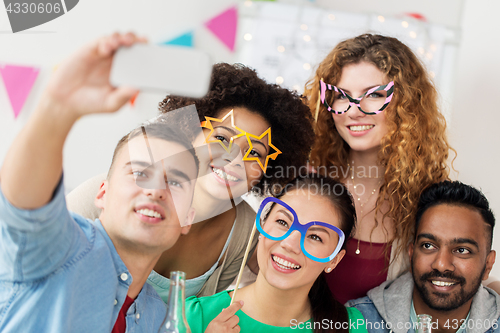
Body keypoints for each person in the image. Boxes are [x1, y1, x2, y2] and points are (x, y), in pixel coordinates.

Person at [0, 33, 199, 332]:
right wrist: (58, 106)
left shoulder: (158, 317)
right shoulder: (58, 250)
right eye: (140, 173)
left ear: (189, 218)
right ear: (102, 193)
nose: (156, 191)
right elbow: (24, 212)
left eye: (176, 182)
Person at [66, 62, 315, 300]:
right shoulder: (109, 194)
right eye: (222, 139)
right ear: (190, 132)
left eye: (255, 153)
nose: (234, 158)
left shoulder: (246, 233)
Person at [303, 33, 455, 303]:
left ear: (407, 105)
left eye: (374, 96)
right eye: (341, 96)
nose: (353, 111)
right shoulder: (303, 182)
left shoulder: (429, 202)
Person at [185, 174, 368, 333]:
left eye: (315, 237)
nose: (289, 244)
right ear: (263, 225)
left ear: (334, 260)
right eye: (282, 222)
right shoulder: (195, 317)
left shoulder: (350, 327)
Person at [347, 180, 499, 333]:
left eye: (462, 250)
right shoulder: (357, 323)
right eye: (428, 245)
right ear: (412, 253)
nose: (441, 264)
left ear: (488, 264)